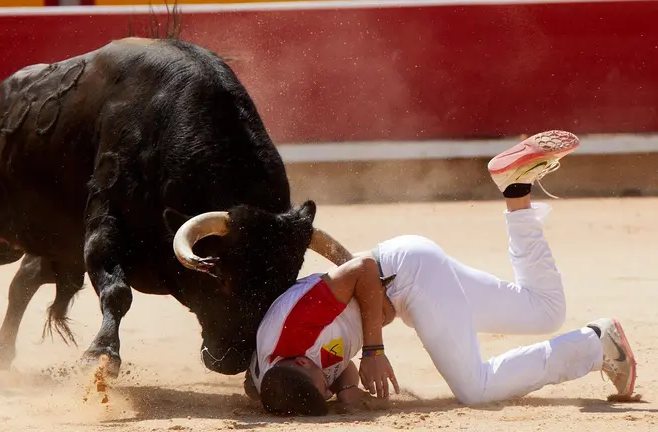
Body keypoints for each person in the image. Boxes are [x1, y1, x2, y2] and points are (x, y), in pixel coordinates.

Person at [244, 130, 637, 416]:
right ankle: (516, 189)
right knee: (545, 311)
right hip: (414, 270)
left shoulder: (292, 329)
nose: (325, 382)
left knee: (475, 388)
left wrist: (374, 351)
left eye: (321, 382)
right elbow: (331, 360)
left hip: (407, 278)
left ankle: (597, 346)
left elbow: (362, 267)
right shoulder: (281, 379)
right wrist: (346, 389)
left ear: (296, 362)